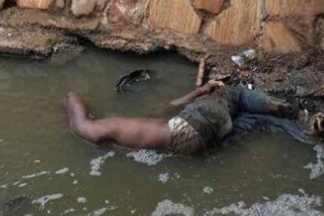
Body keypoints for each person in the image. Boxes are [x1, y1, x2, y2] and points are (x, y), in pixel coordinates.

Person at [65, 81, 323, 155]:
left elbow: (172, 105)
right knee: (236, 94)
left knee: (258, 121)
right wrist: (68, 95)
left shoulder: (124, 138)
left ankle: (309, 135)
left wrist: (201, 90)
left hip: (195, 145)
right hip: (190, 127)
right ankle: (301, 115)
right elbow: (79, 121)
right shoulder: (99, 128)